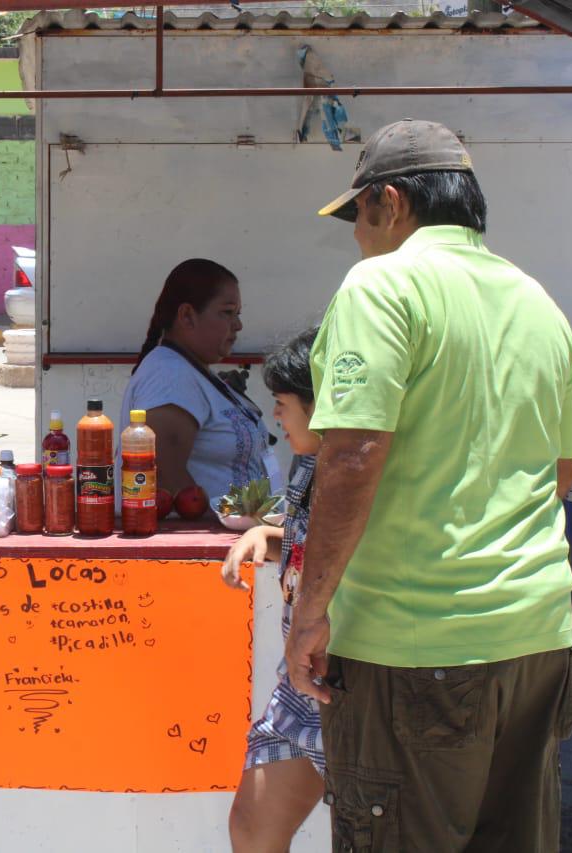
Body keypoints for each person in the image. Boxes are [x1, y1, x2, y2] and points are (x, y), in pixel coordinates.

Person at [283, 119, 572, 851]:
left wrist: (310, 613)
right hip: (537, 642)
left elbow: (352, 455)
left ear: (390, 202)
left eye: (358, 217)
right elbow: (561, 474)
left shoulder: (382, 285)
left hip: (413, 649)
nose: (359, 237)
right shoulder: (536, 301)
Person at [221, 327, 323, 852]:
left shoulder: (361, 474)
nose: (276, 415)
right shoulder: (309, 463)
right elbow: (317, 547)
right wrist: (269, 534)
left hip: (350, 684)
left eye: (284, 403)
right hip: (300, 685)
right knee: (252, 825)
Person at [121, 258, 279, 505]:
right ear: (187, 316)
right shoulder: (170, 375)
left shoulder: (191, 371)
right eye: (227, 312)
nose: (238, 325)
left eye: (237, 314)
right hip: (203, 530)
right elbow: (164, 477)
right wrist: (212, 524)